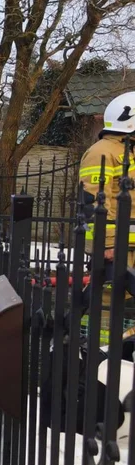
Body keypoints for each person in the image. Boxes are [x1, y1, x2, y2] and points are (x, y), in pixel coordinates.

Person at [80, 91, 135, 343]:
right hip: (116, 246)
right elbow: (94, 203)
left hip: (130, 242)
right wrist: (108, 242)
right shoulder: (101, 152)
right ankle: (94, 352)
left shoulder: (128, 151)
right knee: (106, 302)